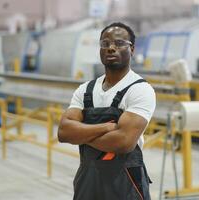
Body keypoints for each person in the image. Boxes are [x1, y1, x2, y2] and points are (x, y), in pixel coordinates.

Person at [58, 22, 156, 200]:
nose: (111, 48)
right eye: (105, 43)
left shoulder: (140, 89)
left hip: (125, 182)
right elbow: (64, 132)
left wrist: (82, 133)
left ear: (132, 49)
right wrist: (106, 128)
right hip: (87, 180)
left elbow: (123, 142)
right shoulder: (85, 89)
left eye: (119, 43)